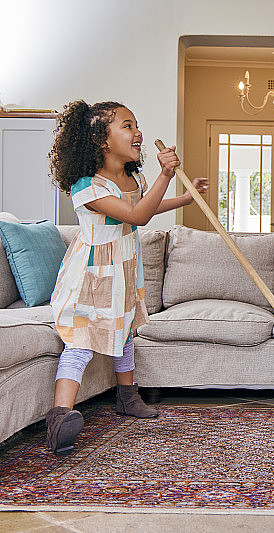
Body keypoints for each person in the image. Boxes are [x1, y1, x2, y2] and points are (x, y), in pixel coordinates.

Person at [45, 100, 208, 456]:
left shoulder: (133, 178)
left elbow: (145, 205)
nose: (138, 133)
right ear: (101, 140)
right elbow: (137, 216)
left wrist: (184, 198)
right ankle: (60, 415)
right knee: (81, 339)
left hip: (123, 269)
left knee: (125, 329)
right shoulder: (87, 186)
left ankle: (127, 396)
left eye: (136, 125)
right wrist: (165, 175)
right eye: (127, 125)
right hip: (91, 275)